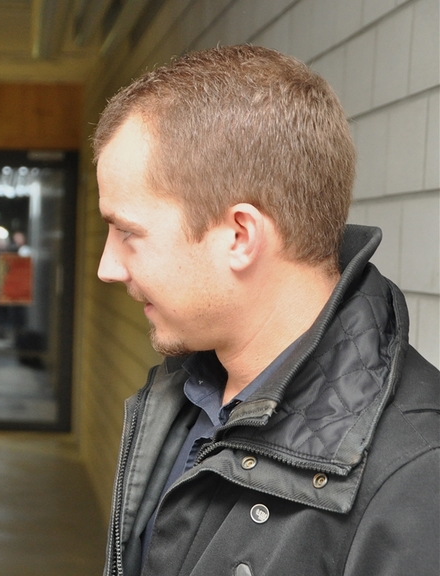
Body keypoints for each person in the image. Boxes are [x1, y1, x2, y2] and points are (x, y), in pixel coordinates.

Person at [93, 45, 439, 576]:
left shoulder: (417, 473)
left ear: (239, 235)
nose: (107, 268)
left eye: (127, 233)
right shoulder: (187, 394)